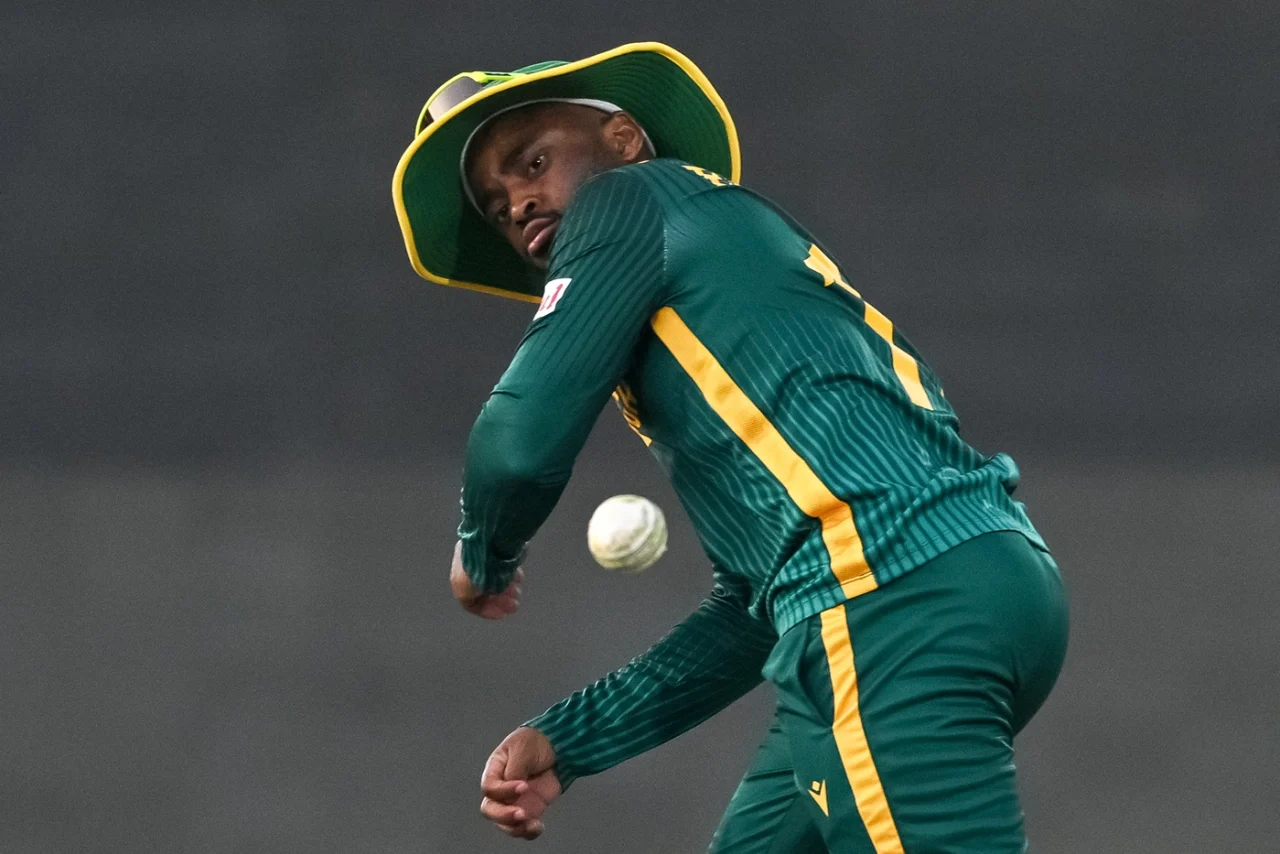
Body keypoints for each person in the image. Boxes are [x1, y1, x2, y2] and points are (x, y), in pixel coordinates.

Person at [392, 42, 1069, 852]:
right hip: (954, 584)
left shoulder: (627, 200)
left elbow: (519, 441)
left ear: (623, 141)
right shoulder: (723, 276)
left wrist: (486, 552)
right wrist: (574, 737)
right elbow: (757, 607)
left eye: (532, 161)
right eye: (501, 210)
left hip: (888, 602)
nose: (521, 204)